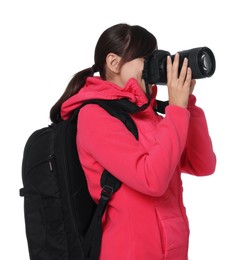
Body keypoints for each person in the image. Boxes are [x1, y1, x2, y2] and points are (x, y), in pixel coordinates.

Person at [50, 23, 216, 260]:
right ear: (114, 62)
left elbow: (203, 164)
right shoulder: (94, 116)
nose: (151, 67)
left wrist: (187, 103)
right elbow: (153, 179)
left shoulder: (151, 117)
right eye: (144, 59)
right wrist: (177, 110)